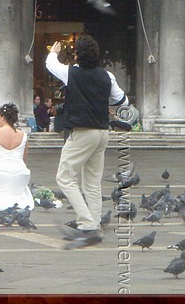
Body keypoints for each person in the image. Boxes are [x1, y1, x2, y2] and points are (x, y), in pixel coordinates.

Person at [46, 36, 127, 236]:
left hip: (81, 132)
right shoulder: (107, 76)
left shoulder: (71, 73)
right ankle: (95, 223)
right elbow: (122, 100)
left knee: (64, 177)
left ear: (77, 54)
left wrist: (54, 53)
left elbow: (50, 64)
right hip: (102, 132)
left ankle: (86, 222)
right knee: (91, 181)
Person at [0, 102, 34, 211]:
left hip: (0, 173)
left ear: (3, 117)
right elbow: (23, 159)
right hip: (20, 173)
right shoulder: (23, 135)